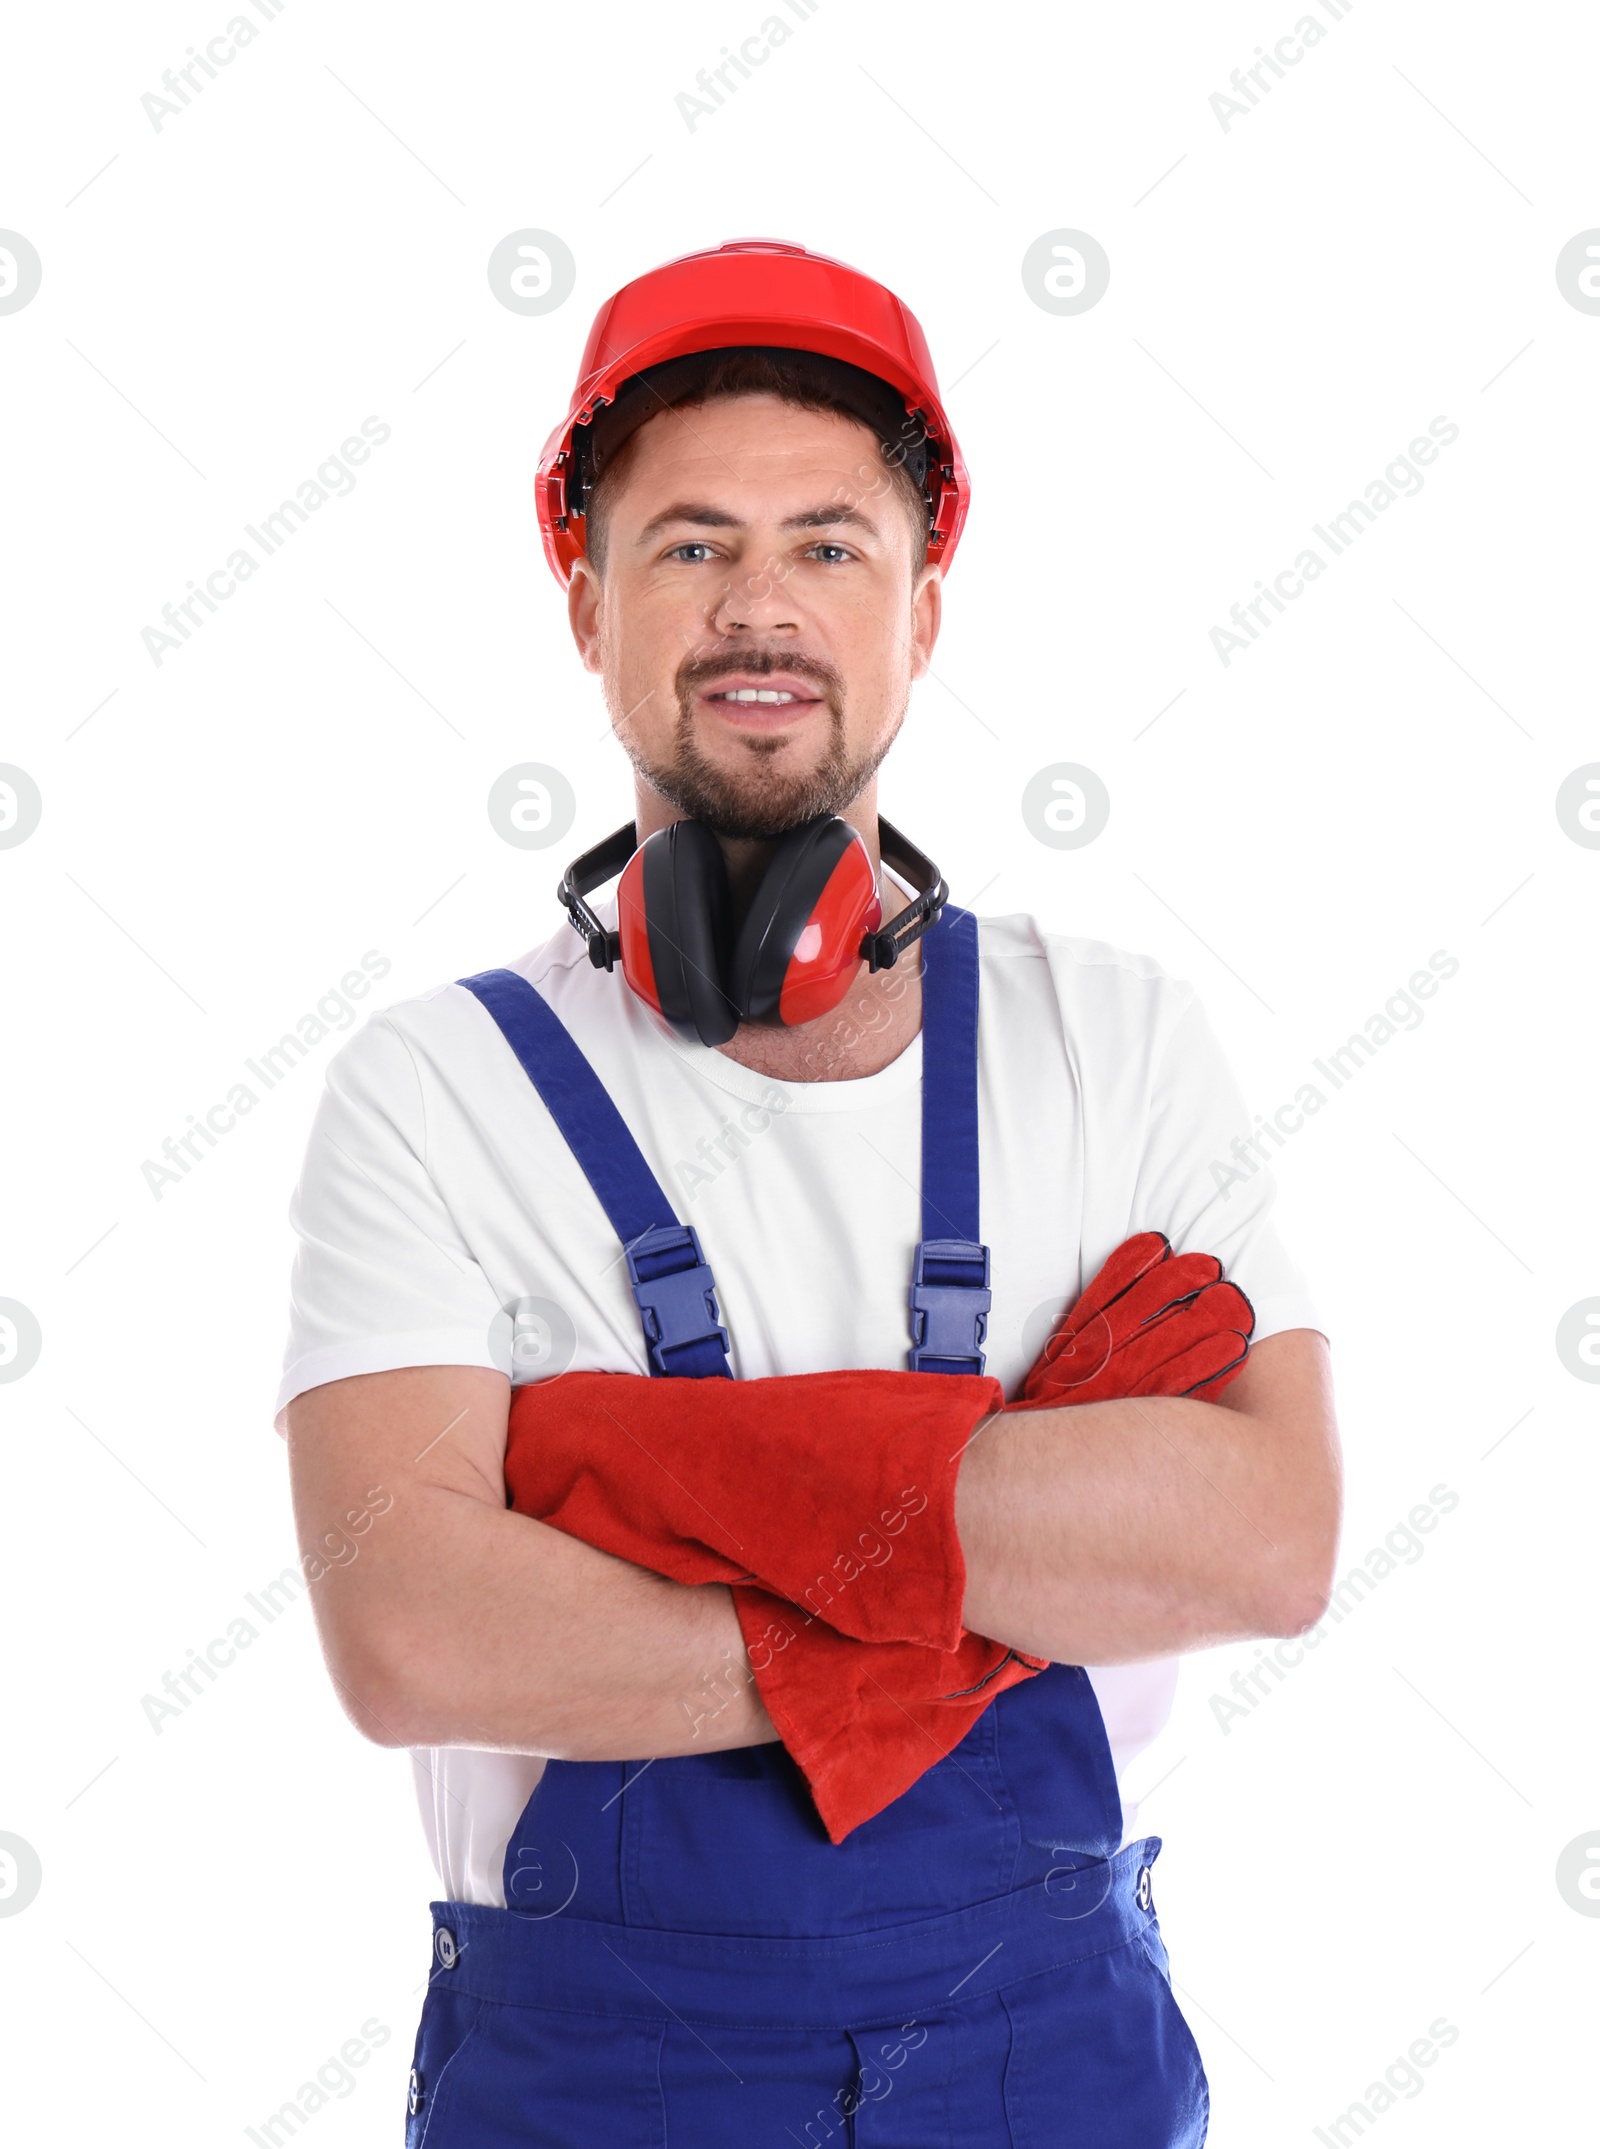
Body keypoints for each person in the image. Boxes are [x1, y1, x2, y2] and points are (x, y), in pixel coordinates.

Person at [278, 238, 1340, 2146]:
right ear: (586, 600)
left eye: (829, 544)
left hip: (1050, 2062)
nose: (758, 605)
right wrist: (1010, 1540)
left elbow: (1266, 1541)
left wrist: (628, 1481)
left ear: (924, 611)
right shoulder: (430, 1088)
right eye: (689, 544)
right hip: (596, 2078)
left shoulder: (1114, 1038)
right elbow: (415, 1632)